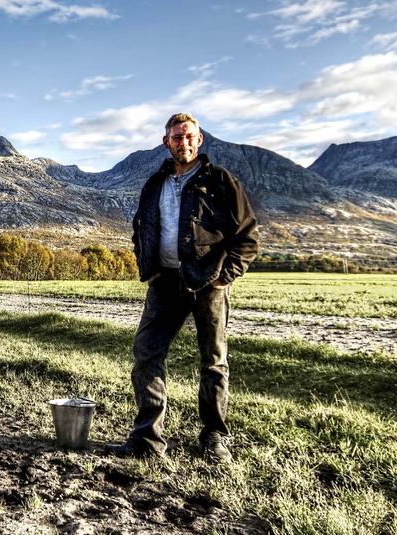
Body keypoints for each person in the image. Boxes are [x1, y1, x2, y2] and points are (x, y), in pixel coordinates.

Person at [108, 113, 258, 463]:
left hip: (208, 284)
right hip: (164, 283)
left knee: (213, 362)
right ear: (167, 142)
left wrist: (224, 276)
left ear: (199, 139)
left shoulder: (220, 181)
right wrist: (148, 268)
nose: (183, 142)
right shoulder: (154, 184)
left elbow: (248, 236)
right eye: (177, 137)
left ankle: (215, 437)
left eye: (188, 136)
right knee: (146, 354)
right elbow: (140, 229)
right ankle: (147, 441)